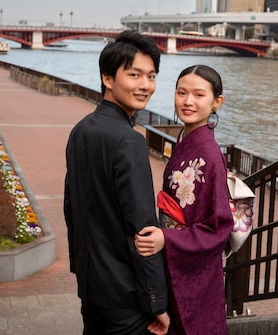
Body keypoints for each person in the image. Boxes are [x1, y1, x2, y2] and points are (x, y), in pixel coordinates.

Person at [64, 30, 170, 335]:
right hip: (126, 297)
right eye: (134, 74)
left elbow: (72, 208)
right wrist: (156, 303)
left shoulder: (81, 130)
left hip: (92, 285)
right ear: (108, 79)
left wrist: (81, 268)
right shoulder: (129, 141)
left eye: (151, 76)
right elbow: (143, 230)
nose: (145, 85)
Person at [134, 65, 233, 335]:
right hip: (176, 257)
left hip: (192, 262)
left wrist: (168, 239)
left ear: (216, 102)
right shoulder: (187, 141)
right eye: (181, 92)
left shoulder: (210, 156)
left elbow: (218, 227)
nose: (188, 101)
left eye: (199, 95)